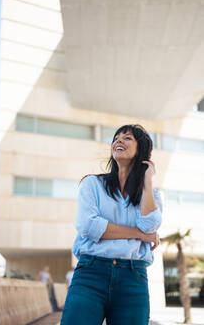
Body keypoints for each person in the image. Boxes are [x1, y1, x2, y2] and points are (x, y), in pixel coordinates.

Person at [60, 124, 162, 325]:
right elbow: (89, 227)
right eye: (116, 137)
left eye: (127, 138)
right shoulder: (92, 184)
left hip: (133, 278)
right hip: (90, 273)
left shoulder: (152, 194)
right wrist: (139, 234)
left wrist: (147, 181)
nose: (118, 141)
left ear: (140, 150)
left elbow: (150, 226)